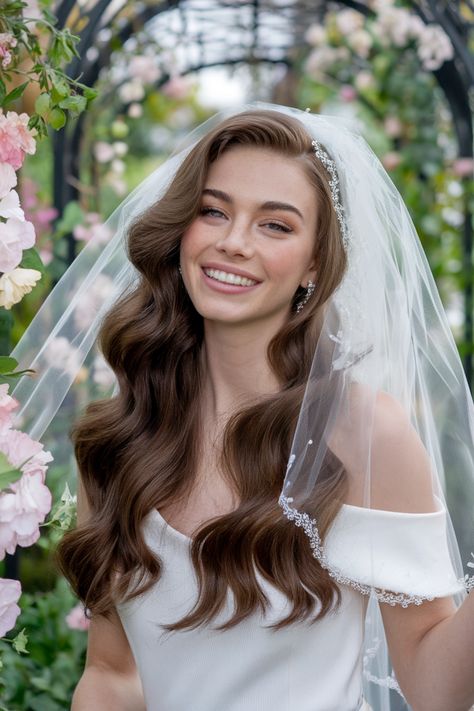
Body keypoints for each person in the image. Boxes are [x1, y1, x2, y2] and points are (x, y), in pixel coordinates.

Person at [10, 104, 474, 711]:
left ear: (315, 261)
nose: (232, 242)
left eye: (275, 226)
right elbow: (112, 674)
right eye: (213, 211)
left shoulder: (364, 434)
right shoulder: (121, 435)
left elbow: (437, 691)